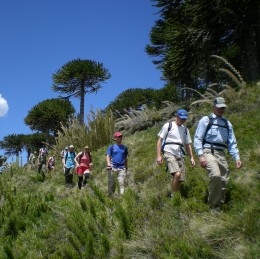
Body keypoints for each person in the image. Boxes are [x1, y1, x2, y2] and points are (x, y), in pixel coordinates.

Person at [194, 97, 242, 210]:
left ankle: (219, 204)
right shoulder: (206, 120)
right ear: (214, 107)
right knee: (215, 175)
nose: (221, 110)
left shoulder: (227, 123)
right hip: (208, 151)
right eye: (219, 107)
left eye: (223, 108)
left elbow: (232, 142)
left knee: (224, 179)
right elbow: (197, 138)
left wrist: (237, 158)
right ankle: (213, 206)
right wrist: (200, 155)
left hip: (221, 153)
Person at [157, 109, 195, 195]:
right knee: (177, 174)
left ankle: (176, 195)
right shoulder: (168, 125)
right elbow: (159, 140)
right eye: (181, 118)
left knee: (180, 179)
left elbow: (188, 145)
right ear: (177, 116)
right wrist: (159, 156)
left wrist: (192, 157)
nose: (182, 120)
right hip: (168, 152)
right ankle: (174, 196)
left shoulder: (185, 130)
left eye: (184, 119)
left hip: (180, 154)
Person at [106, 132, 128, 196]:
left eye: (121, 136)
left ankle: (121, 198)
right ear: (115, 138)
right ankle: (110, 197)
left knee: (121, 183)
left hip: (122, 168)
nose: (121, 138)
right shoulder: (111, 147)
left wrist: (126, 167)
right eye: (119, 137)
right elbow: (108, 156)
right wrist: (108, 164)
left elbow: (125, 158)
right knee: (112, 184)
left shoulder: (125, 148)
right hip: (113, 167)